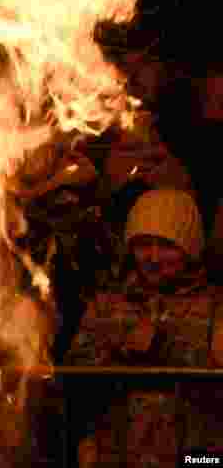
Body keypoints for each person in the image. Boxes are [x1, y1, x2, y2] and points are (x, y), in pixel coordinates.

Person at [65, 187, 223, 467]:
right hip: (115, 457)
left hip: (195, 456)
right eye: (142, 245)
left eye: (166, 245)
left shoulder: (215, 306)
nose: (152, 257)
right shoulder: (106, 304)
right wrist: (120, 350)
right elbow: (74, 375)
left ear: (191, 248)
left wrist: (167, 347)